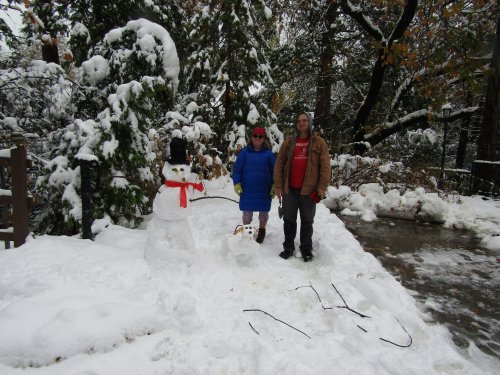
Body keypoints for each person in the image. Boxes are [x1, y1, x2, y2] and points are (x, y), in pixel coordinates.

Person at [274, 111, 331, 262]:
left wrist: (322, 187)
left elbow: (325, 166)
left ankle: (306, 248)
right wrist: (278, 186)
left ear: (309, 123)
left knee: (307, 221)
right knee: (289, 220)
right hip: (289, 189)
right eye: (299, 121)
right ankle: (288, 247)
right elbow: (279, 164)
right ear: (296, 124)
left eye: (305, 120)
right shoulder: (289, 142)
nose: (302, 123)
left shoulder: (319, 142)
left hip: (309, 190)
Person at [232, 127, 276, 243]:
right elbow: (237, 169)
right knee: (247, 213)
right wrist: (237, 183)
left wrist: (274, 185)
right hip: (247, 189)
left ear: (263, 139)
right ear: (251, 137)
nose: (257, 138)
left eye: (260, 136)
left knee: (263, 212)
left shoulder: (269, 155)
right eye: (255, 136)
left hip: (264, 189)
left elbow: (275, 171)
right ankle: (247, 231)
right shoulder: (244, 153)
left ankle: (262, 231)